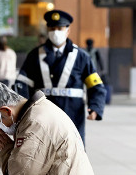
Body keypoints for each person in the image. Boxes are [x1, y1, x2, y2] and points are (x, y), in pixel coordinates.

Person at [13, 10, 107, 143]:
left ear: (68, 31)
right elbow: (21, 84)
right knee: (43, 154)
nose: (55, 32)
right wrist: (21, 111)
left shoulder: (81, 56)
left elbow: (96, 85)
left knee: (73, 153)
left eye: (60, 28)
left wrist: (95, 107)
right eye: (52, 28)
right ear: (47, 30)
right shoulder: (34, 55)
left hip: (72, 114)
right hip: (43, 115)